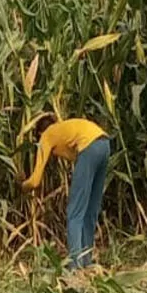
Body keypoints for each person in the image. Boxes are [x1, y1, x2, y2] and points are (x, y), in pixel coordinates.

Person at [24, 116, 114, 270]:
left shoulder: (47, 135)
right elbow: (74, 156)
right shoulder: (64, 129)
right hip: (104, 145)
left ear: (40, 133)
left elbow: (35, 181)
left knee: (74, 213)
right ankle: (87, 262)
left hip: (89, 148)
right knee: (90, 211)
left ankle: (75, 266)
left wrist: (23, 185)